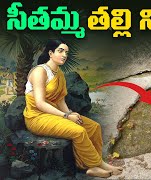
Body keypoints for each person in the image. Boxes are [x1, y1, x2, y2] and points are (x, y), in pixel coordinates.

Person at [23, 39, 123, 178]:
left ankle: (90, 165)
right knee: (79, 131)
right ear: (51, 53)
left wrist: (69, 113)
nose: (64, 55)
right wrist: (66, 116)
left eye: (66, 52)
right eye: (60, 51)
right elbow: (40, 103)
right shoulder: (40, 71)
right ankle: (96, 164)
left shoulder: (59, 74)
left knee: (94, 127)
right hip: (37, 117)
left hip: (54, 114)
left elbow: (59, 100)